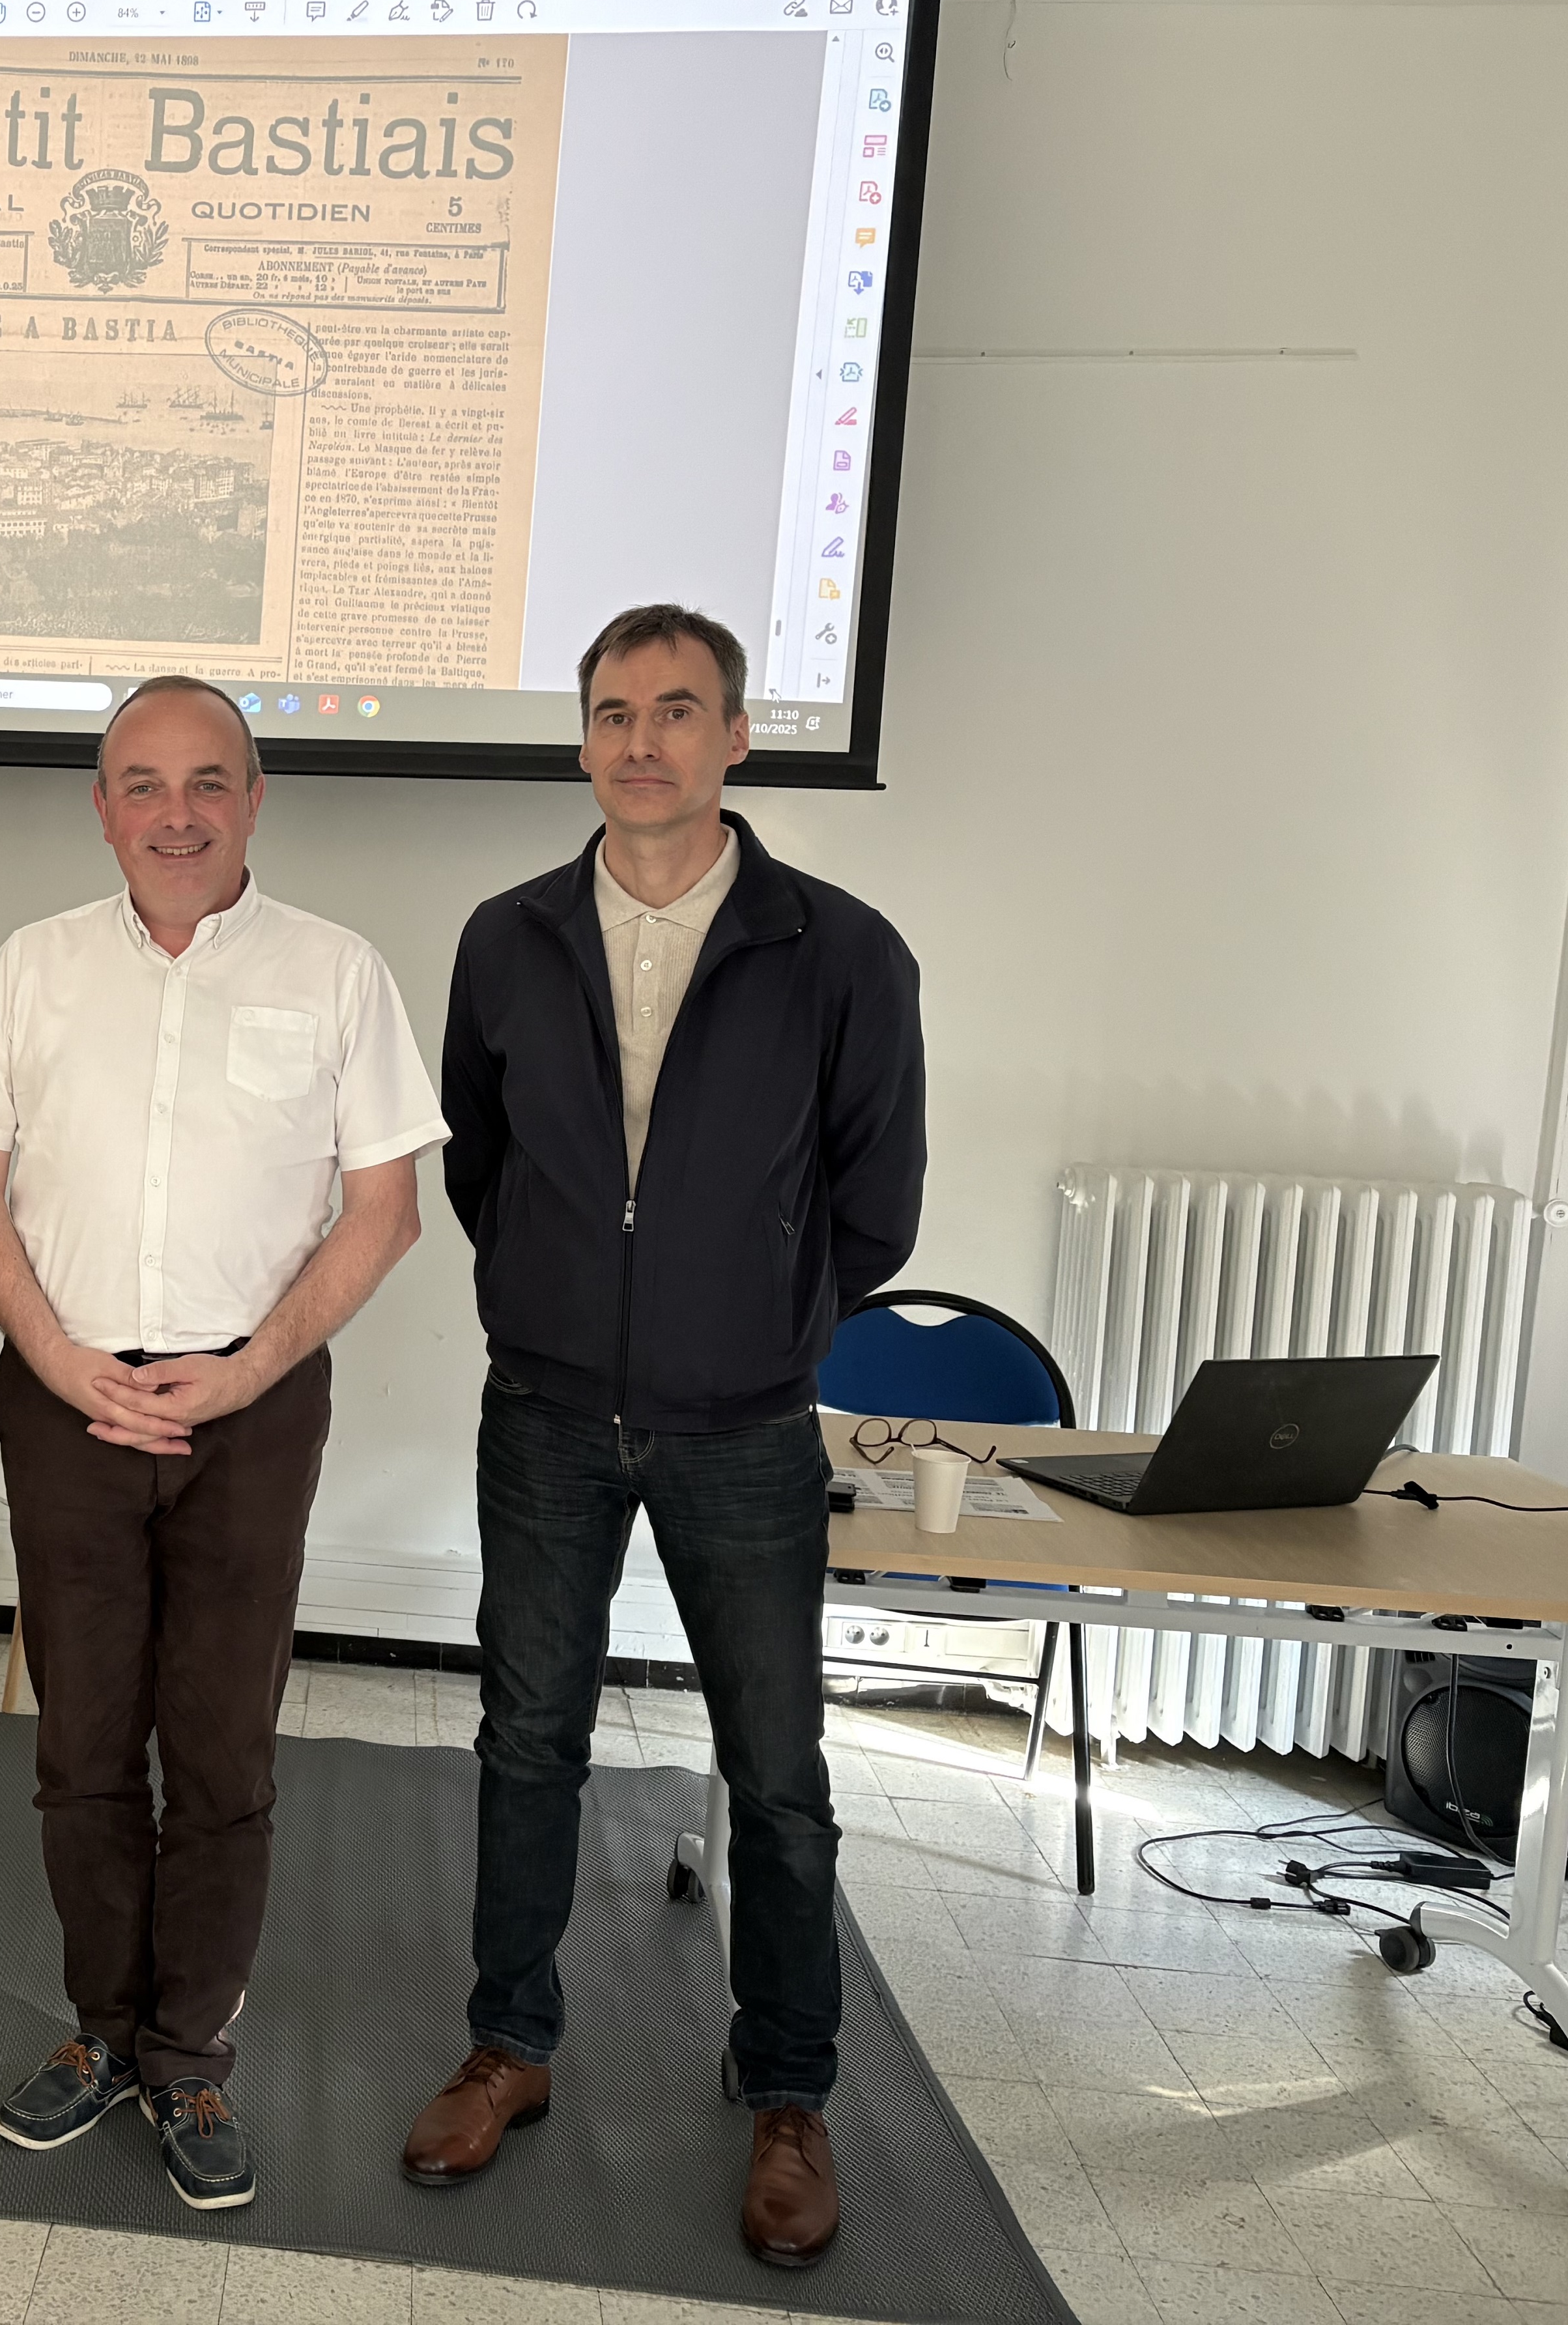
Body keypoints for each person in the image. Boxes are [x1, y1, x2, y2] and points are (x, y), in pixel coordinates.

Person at [408, 603, 925, 2265]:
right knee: (525, 1741)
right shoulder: (507, 936)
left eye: (679, 711)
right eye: (615, 712)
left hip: (745, 1426)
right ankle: (512, 2045)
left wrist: (744, 1311)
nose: (644, 741)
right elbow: (479, 1168)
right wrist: (577, 1297)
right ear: (583, 742)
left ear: (737, 738)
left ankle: (787, 2092)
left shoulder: (841, 948)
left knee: (777, 1779)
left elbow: (879, 1202)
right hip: (548, 1410)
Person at [0, 677, 444, 2212]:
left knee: (220, 1750)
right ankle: (99, 2035)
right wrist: (63, 1353)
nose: (175, 812)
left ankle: (191, 2055)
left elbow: (384, 1212)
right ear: (101, 805)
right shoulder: (33, 968)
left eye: (208, 780)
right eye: (141, 782)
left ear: (256, 797)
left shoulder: (338, 974)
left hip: (254, 1410)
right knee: (83, 1747)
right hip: (66, 1397)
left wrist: (243, 1370)